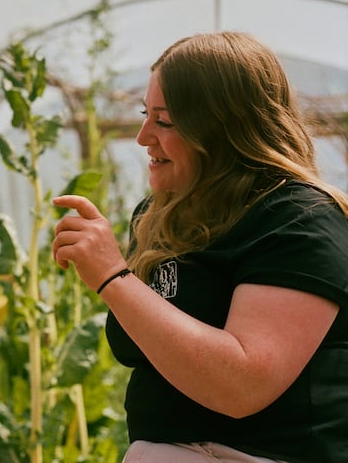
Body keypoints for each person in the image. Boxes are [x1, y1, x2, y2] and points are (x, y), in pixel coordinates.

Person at [52, 32, 348, 462]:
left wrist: (113, 278)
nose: (142, 137)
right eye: (144, 114)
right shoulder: (157, 218)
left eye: (164, 121)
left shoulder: (298, 218)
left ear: (222, 128)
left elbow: (243, 385)